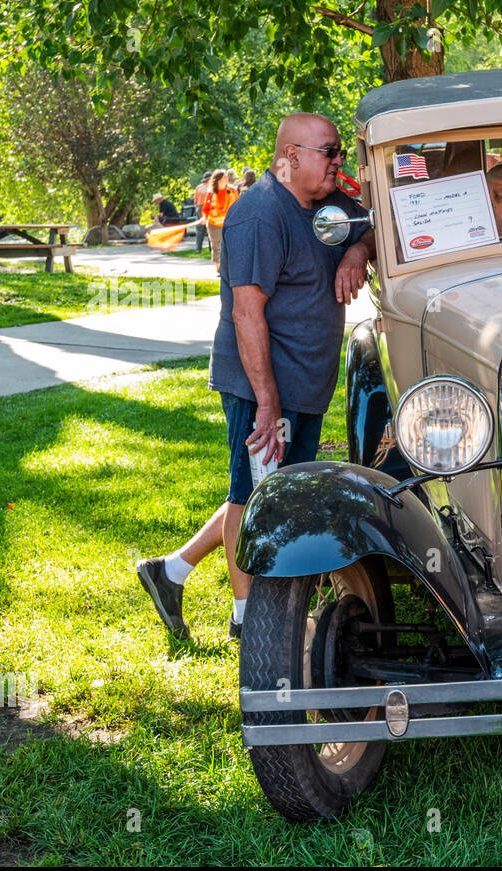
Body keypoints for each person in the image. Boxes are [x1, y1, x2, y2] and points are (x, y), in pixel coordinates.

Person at [136, 113, 375, 642]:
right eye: (329, 152)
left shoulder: (327, 204)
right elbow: (247, 315)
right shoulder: (258, 216)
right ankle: (248, 621)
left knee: (269, 487)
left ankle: (170, 571)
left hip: (305, 383)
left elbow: (372, 226)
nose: (339, 161)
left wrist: (355, 252)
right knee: (252, 497)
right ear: (289, 156)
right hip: (262, 385)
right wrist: (267, 403)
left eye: (339, 152)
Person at [197, 169, 238, 272]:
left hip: (229, 224)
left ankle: (230, 268)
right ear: (218, 179)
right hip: (214, 225)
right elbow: (206, 209)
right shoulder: (211, 193)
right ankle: (219, 270)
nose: (226, 179)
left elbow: (238, 206)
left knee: (231, 246)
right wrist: (204, 217)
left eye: (226, 177)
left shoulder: (232, 191)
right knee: (217, 247)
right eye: (224, 177)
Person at [192, 172, 212, 252]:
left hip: (199, 208)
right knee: (210, 227)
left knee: (200, 229)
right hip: (208, 207)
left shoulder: (198, 187)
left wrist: (197, 208)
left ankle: (198, 248)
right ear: (209, 179)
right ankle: (211, 248)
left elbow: (195, 200)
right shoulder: (210, 187)